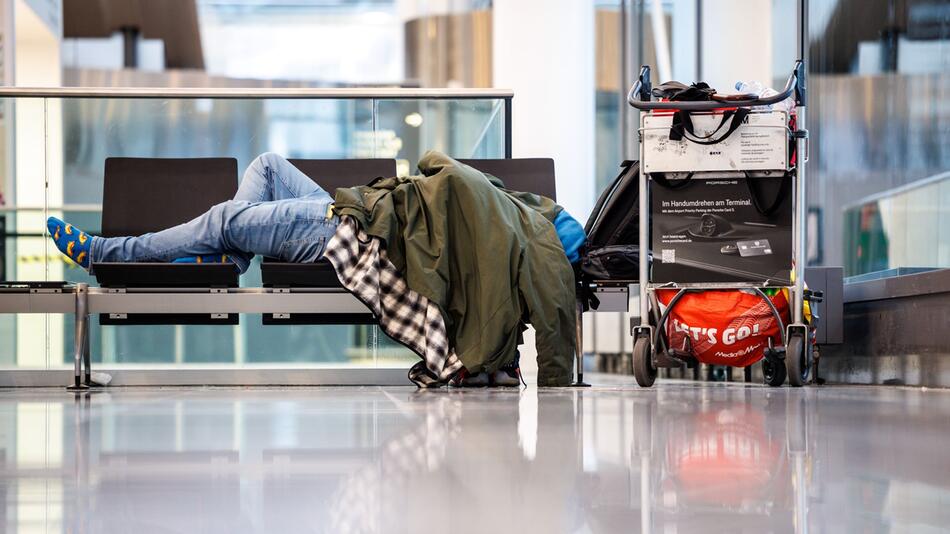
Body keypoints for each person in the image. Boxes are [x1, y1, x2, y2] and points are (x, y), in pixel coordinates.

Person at [47, 152, 338, 274]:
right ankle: (230, 257)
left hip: (339, 231)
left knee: (223, 219)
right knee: (268, 165)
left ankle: (104, 253)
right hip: (343, 208)